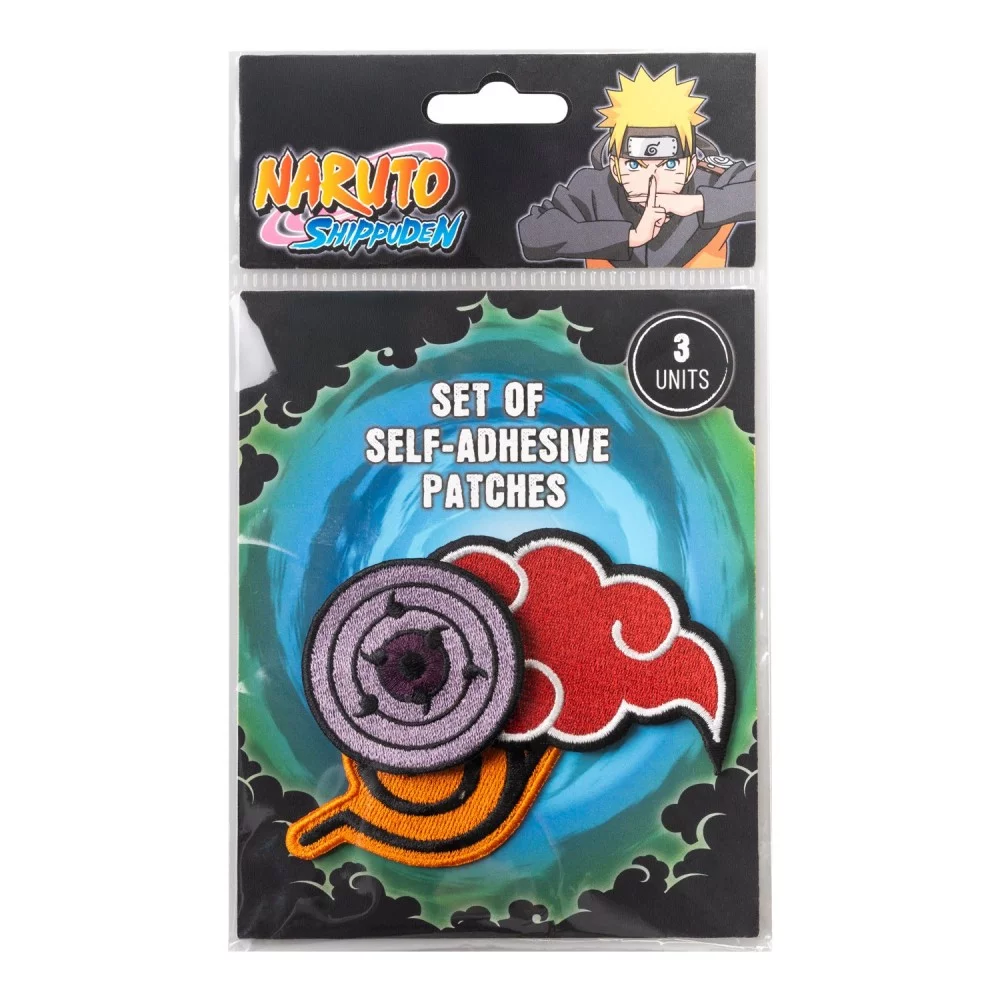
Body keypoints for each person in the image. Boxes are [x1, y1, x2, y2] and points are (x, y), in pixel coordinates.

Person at [517, 66, 755, 268]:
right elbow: (532, 232)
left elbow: (765, 190)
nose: (653, 179)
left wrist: (698, 203)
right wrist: (630, 237)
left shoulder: (713, 181)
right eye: (634, 165)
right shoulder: (592, 190)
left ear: (691, 165)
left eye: (669, 164)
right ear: (615, 167)